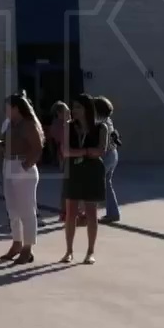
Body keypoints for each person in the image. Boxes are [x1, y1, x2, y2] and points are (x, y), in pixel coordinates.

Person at [59, 94, 108, 264]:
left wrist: (79, 152)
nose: (74, 110)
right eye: (74, 107)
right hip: (73, 171)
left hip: (93, 172)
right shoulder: (68, 127)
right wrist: (87, 152)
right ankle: (69, 251)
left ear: (87, 109)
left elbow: (101, 150)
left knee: (91, 213)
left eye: (78, 107)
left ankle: (90, 252)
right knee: (70, 212)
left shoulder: (101, 128)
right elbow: (65, 151)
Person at [0, 94, 43, 265]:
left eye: (8, 107)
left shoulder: (28, 124)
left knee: (26, 209)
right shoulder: (10, 124)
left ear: (17, 108)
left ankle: (27, 248)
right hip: (9, 164)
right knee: (12, 209)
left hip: (22, 165)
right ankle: (17, 243)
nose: (5, 110)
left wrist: (25, 166)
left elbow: (38, 148)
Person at [92, 95, 123, 223]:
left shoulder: (100, 122)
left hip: (106, 155)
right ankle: (113, 213)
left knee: (94, 184)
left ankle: (89, 213)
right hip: (113, 154)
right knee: (107, 184)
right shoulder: (108, 120)